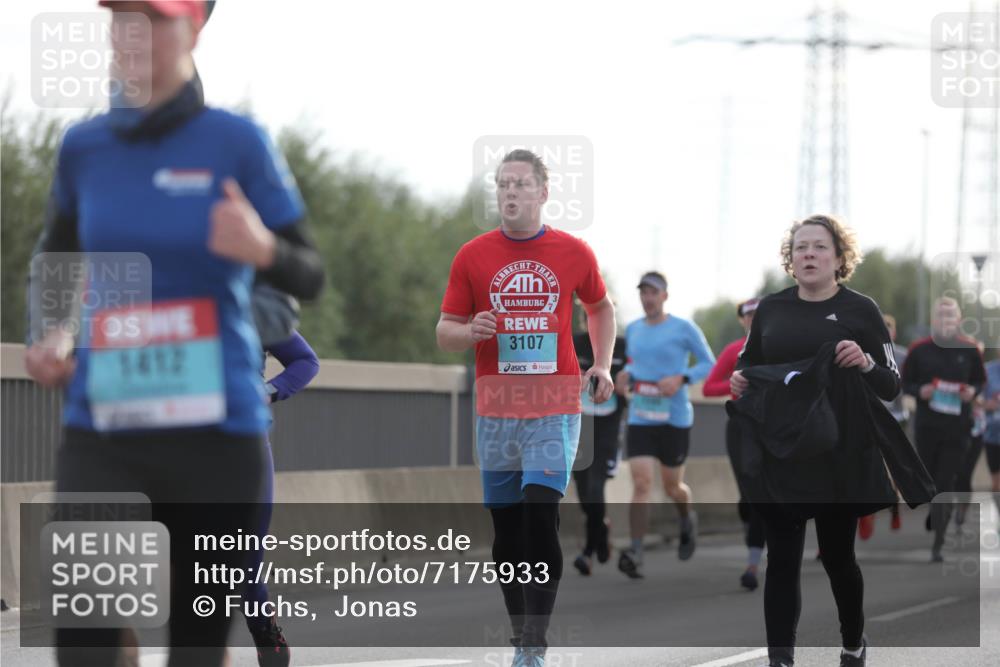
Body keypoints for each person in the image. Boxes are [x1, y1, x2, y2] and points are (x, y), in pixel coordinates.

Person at [23, 2, 325, 665]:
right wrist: (52, 332)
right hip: (103, 428)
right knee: (83, 636)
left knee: (195, 643)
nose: (133, 34)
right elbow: (57, 255)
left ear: (195, 28)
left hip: (215, 434)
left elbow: (310, 273)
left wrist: (262, 249)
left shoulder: (237, 142)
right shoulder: (83, 148)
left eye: (153, 18)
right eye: (121, 16)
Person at [436, 149, 616, 667]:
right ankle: (520, 635)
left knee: (541, 514)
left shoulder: (573, 252)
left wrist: (600, 364)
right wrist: (469, 331)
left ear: (542, 193)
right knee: (508, 532)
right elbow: (444, 331)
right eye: (502, 184)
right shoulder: (473, 255)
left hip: (555, 406)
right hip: (496, 411)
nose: (509, 192)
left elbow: (600, 307)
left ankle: (535, 645)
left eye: (519, 184)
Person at [730, 214, 915, 667]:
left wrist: (866, 363)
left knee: (837, 558)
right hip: (784, 448)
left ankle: (853, 641)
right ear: (790, 259)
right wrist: (739, 381)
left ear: (839, 257)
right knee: (783, 560)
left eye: (819, 247)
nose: (808, 254)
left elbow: (891, 385)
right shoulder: (772, 309)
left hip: (840, 448)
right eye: (800, 248)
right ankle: (781, 660)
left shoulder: (861, 310)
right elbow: (749, 367)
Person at [615, 271, 715, 578]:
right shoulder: (632, 330)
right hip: (641, 415)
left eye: (653, 293)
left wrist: (681, 378)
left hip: (674, 417)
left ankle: (686, 517)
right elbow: (634, 366)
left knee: (673, 486)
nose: (647, 298)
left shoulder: (684, 328)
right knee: (642, 483)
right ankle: (636, 551)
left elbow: (708, 364)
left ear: (665, 296)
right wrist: (625, 377)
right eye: (643, 293)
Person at [243, 283, 320, 667]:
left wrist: (267, 390)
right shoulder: (171, 299)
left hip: (245, 445)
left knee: (246, 552)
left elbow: (305, 361)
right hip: (183, 445)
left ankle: (262, 625)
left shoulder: (254, 302)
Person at [901, 297, 986, 561]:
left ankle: (938, 542)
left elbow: (979, 382)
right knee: (929, 484)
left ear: (958, 320)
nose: (945, 319)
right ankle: (935, 513)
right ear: (932, 320)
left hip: (958, 430)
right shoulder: (919, 349)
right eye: (940, 315)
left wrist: (972, 391)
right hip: (927, 428)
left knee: (945, 484)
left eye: (950, 315)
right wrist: (920, 391)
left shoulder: (970, 350)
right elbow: (906, 384)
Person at [702, 297, 766, 590]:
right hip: (742, 428)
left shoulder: (782, 346)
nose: (754, 319)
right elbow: (708, 387)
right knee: (748, 497)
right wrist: (734, 382)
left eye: (759, 313)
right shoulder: (733, 351)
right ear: (743, 320)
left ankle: (753, 563)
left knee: (762, 496)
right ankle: (755, 537)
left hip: (776, 427)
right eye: (749, 315)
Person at [571, 310, 627, 576]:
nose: (592, 320)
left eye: (599, 314)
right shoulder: (572, 342)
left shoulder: (624, 346)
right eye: (587, 315)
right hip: (578, 427)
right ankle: (601, 529)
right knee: (583, 493)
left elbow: (634, 378)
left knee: (595, 489)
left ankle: (588, 551)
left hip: (607, 429)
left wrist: (628, 383)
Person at [858, 313, 910, 538]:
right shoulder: (863, 353)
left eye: (888, 330)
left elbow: (906, 385)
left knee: (894, 466)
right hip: (869, 417)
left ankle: (894, 504)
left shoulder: (903, 355)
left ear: (894, 333)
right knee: (867, 464)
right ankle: (865, 511)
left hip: (897, 417)